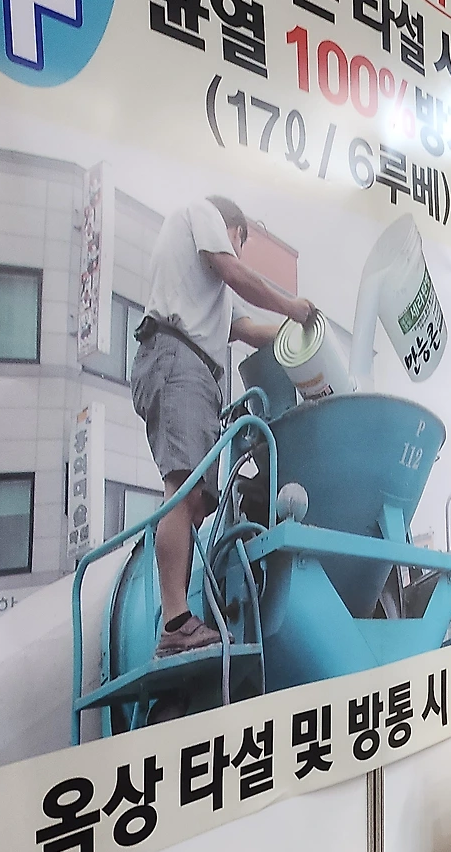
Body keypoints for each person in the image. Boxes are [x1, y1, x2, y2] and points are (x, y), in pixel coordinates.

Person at [131, 196, 315, 656]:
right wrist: (292, 307)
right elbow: (234, 271)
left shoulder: (205, 292)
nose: (236, 250)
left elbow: (248, 329)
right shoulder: (203, 213)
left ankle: (179, 620)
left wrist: (302, 334)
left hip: (192, 370)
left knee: (195, 499)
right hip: (178, 359)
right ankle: (175, 622)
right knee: (182, 487)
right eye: (240, 242)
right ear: (235, 229)